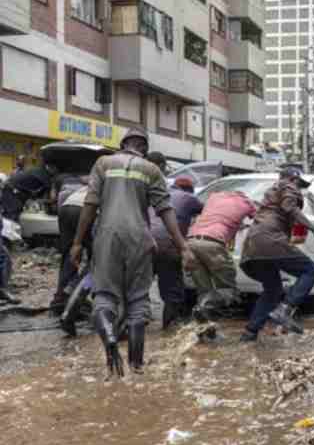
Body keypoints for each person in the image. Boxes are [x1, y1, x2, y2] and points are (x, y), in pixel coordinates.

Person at [70, 127, 195, 378]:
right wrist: (183, 247)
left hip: (107, 236)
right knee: (138, 301)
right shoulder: (151, 169)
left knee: (104, 297)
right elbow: (165, 210)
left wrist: (77, 243)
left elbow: (90, 204)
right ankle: (136, 366)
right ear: (144, 148)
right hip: (139, 238)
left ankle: (110, 339)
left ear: (122, 144)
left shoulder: (103, 163)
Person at [239, 168, 314, 342]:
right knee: (311, 271)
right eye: (300, 185)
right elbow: (289, 207)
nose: (300, 190)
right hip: (272, 240)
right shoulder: (288, 186)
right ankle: (285, 309)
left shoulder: (270, 194)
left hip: (251, 246)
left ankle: (250, 333)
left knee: (273, 290)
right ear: (294, 179)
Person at [185, 189, 255, 322]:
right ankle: (205, 307)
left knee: (204, 290)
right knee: (228, 289)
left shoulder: (214, 197)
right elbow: (259, 219)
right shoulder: (247, 203)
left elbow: (218, 216)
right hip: (213, 244)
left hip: (190, 242)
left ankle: (204, 323)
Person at [151, 176, 204, 329]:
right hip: (168, 245)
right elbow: (209, 211)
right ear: (190, 190)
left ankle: (126, 328)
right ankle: (169, 330)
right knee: (172, 291)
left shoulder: (159, 196)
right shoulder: (189, 197)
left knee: (138, 289)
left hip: (144, 242)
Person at [49, 179, 90, 314]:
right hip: (85, 209)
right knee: (96, 260)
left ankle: (60, 298)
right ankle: (73, 291)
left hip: (67, 206)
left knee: (69, 255)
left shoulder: (90, 181)